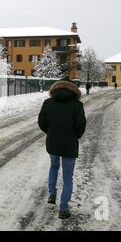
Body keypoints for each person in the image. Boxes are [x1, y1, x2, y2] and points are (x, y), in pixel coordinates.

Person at [38, 77, 87, 219]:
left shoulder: (48, 103)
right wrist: (74, 136)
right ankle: (63, 208)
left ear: (56, 88)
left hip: (52, 143)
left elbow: (41, 121)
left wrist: (51, 132)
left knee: (53, 166)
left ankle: (52, 194)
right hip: (69, 144)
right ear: (72, 89)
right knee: (67, 177)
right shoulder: (77, 105)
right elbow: (81, 125)